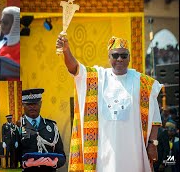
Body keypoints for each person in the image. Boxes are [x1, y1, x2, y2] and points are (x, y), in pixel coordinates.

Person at [56, 36, 162, 171]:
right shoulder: (98, 77)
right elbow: (74, 69)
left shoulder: (143, 83)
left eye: (124, 55)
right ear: (109, 57)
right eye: (115, 55)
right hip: (103, 156)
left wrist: (153, 144)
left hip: (133, 155)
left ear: (129, 57)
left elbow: (155, 118)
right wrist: (66, 51)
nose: (120, 59)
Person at [21, 88, 66, 172]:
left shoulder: (52, 126)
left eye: (35, 104)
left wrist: (54, 163)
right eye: (29, 104)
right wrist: (25, 164)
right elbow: (12, 156)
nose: (32, 107)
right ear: (23, 105)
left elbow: (61, 155)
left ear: (40, 104)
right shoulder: (18, 127)